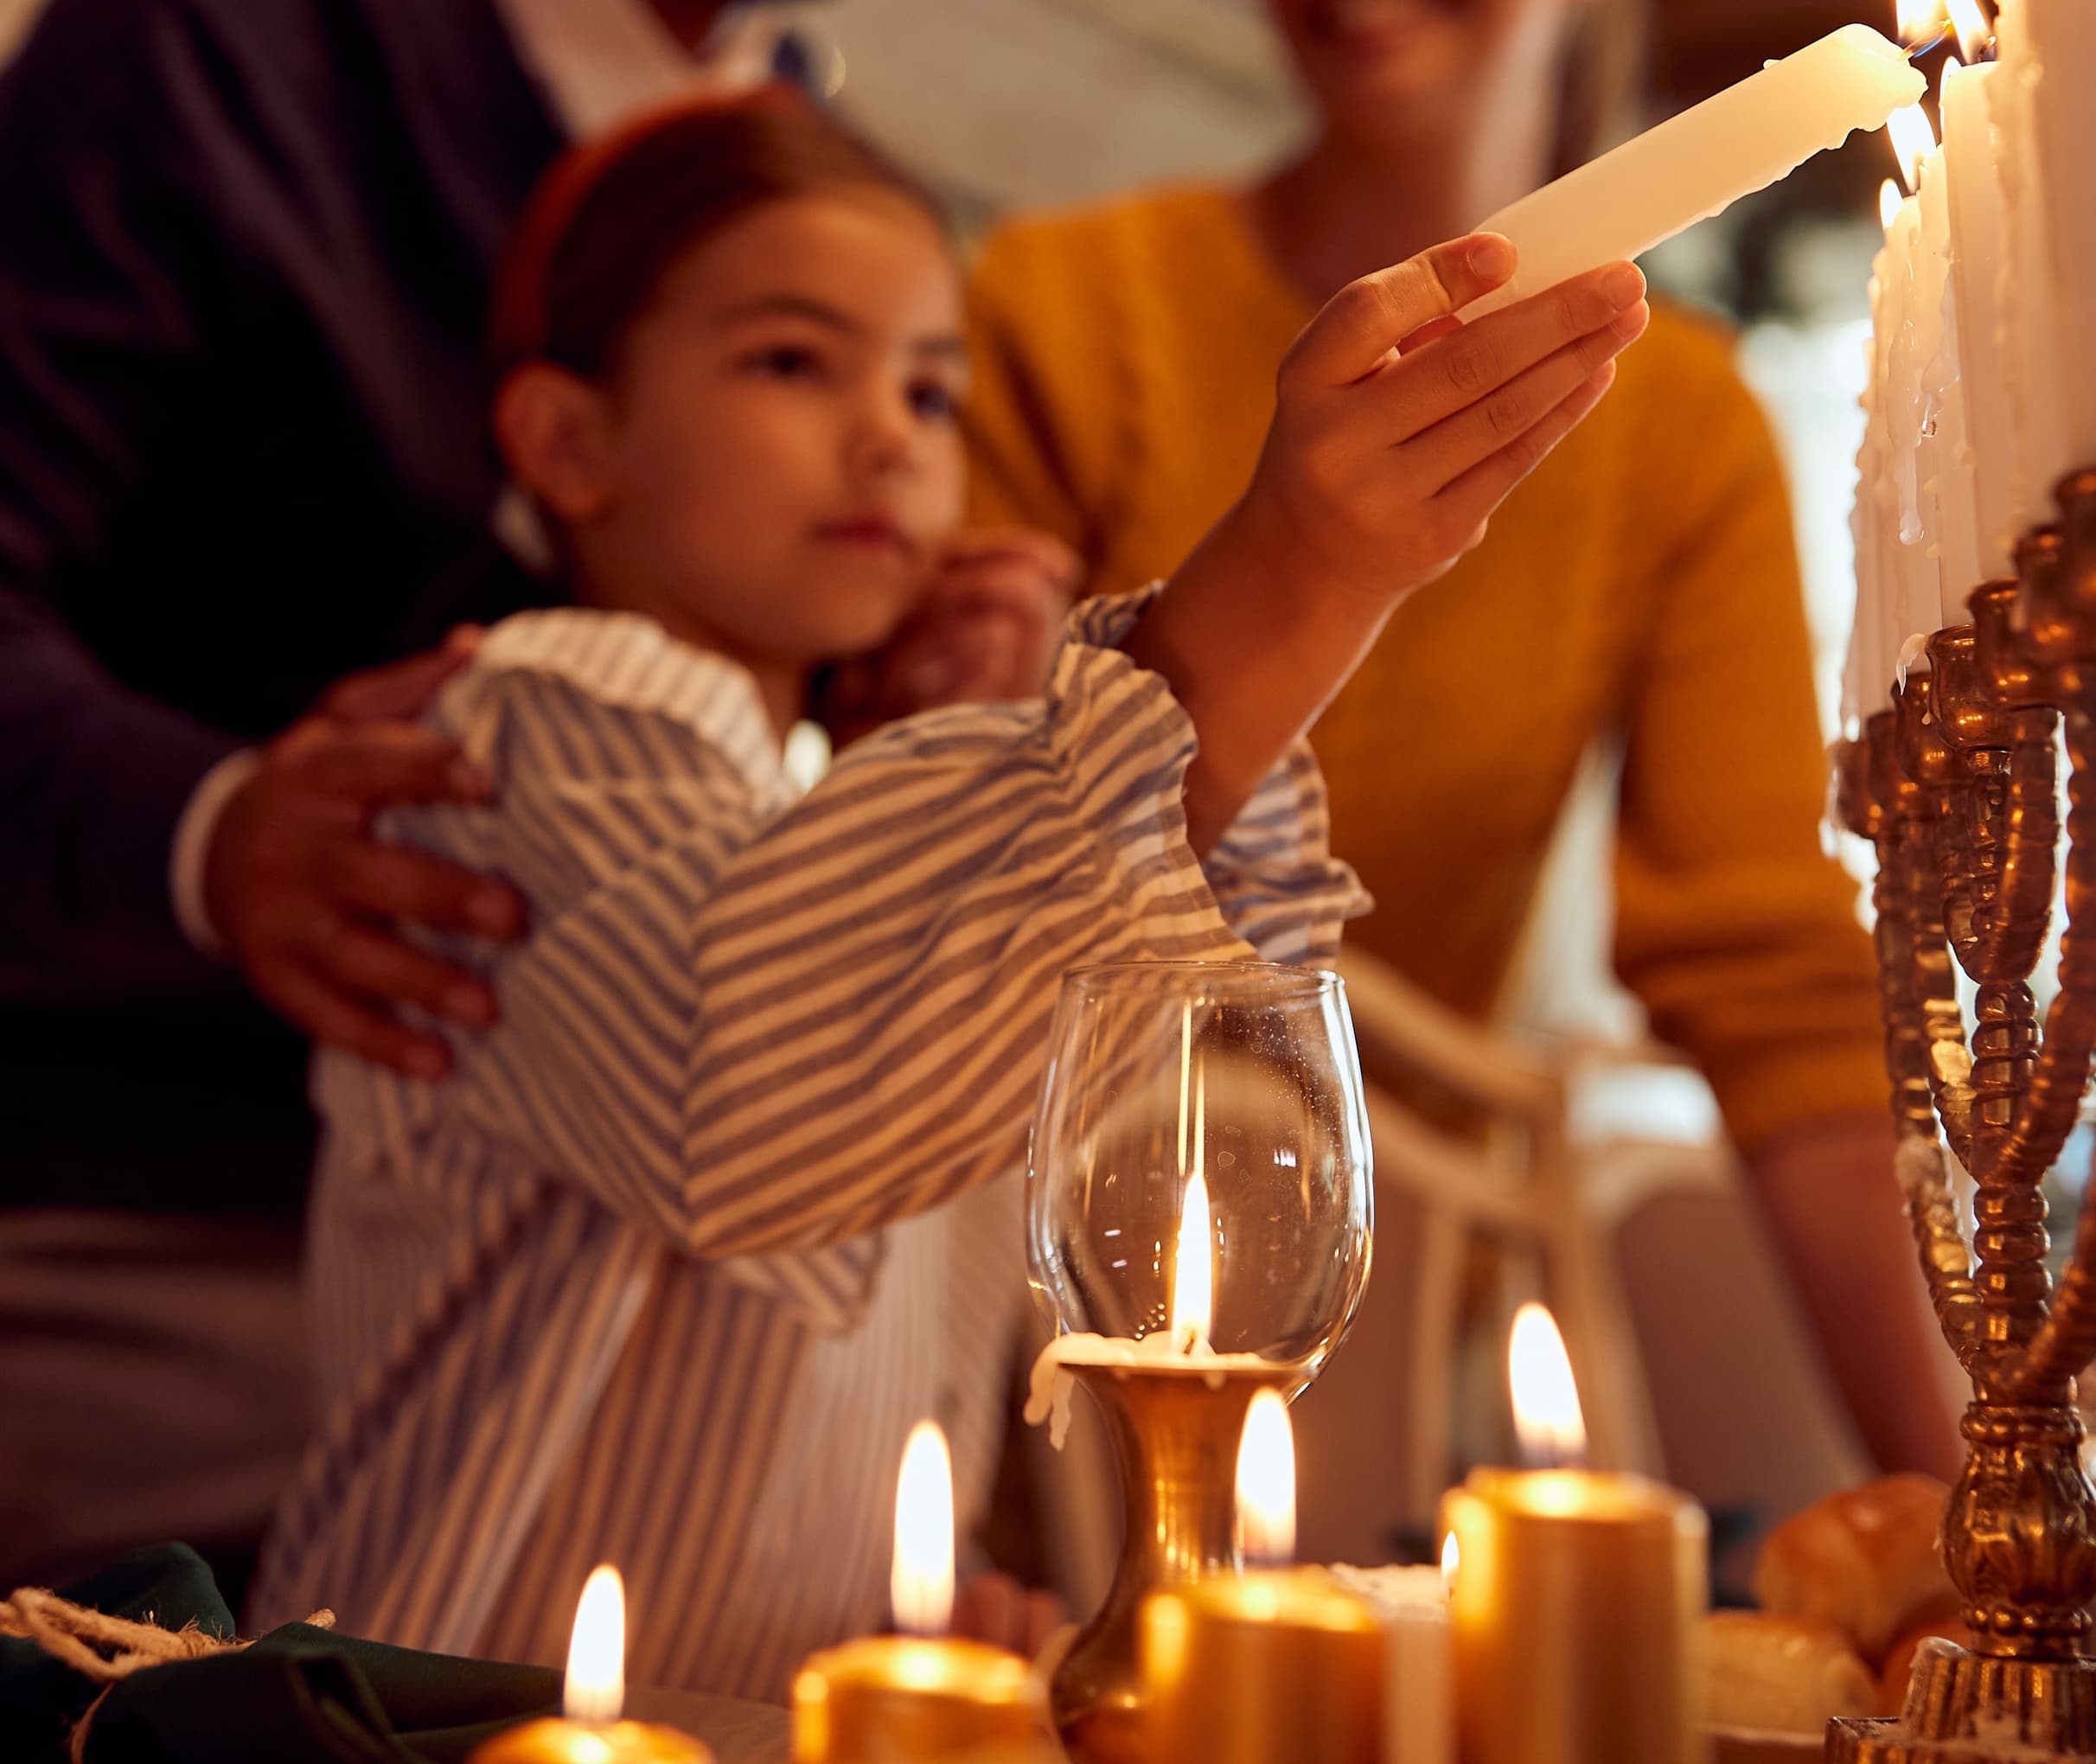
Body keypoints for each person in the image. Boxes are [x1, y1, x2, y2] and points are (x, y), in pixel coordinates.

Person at [0, 0, 1006, 1593]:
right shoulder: (219, 34)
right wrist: (216, 831)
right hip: (108, 1264)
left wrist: (892, 695)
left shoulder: (819, 206)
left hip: (583, 1351)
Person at [252, 87, 1647, 1692]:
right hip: (420, 1716)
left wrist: (929, 1582)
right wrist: (1282, 581)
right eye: (792, 362)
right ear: (567, 441)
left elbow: (1094, 1060)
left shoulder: (846, 809)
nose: (888, 440)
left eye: (930, 391)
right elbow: (755, 1098)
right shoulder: (530, 726)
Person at [957, 0, 1967, 1550]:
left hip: (1362, 1272)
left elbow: (1764, 972)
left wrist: (1969, 1501)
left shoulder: (1682, 428)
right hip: (1007, 1243)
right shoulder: (1066, 305)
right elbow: (967, 843)